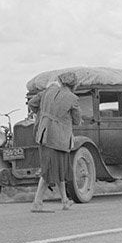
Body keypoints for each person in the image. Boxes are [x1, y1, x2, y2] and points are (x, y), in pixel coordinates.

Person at [32, 71, 82, 212]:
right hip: (59, 139)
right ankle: (37, 203)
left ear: (61, 81)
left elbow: (32, 103)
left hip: (44, 134)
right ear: (74, 85)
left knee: (59, 170)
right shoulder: (73, 98)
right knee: (48, 171)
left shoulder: (48, 91)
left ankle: (65, 201)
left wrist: (42, 116)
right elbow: (77, 120)